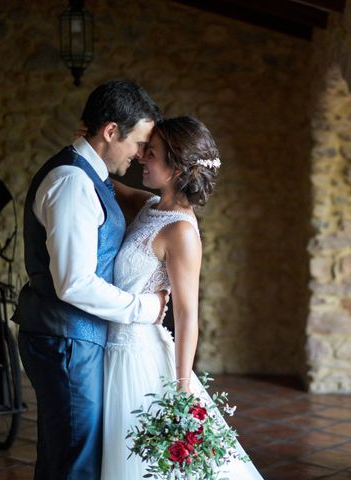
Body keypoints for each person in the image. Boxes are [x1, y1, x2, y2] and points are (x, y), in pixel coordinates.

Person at [13, 80, 170, 480]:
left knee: (64, 453)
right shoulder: (72, 182)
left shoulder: (90, 174)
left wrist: (170, 207)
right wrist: (144, 309)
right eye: (138, 143)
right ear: (111, 131)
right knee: (76, 460)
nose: (139, 155)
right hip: (65, 338)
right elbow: (74, 283)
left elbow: (127, 199)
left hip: (71, 335)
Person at [101, 116, 262, 479]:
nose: (142, 157)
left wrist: (182, 387)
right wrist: (89, 148)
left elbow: (188, 315)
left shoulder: (181, 232)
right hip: (112, 348)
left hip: (138, 355)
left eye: (151, 153)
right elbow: (106, 183)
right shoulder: (150, 207)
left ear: (176, 169)